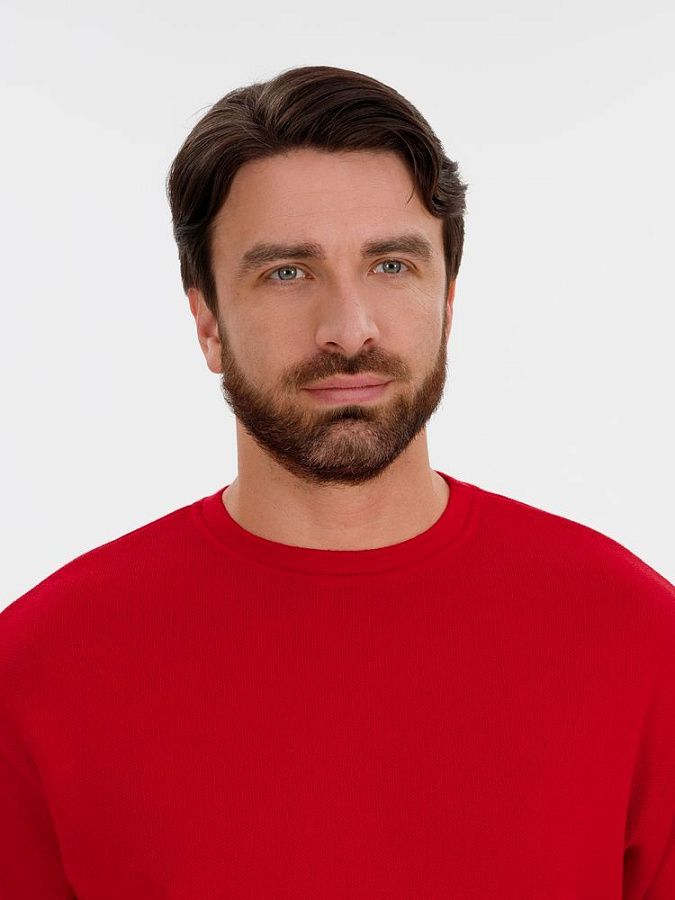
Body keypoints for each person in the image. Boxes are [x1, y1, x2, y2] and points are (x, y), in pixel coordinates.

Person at [1, 65, 673, 899]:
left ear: (447, 302)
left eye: (391, 265)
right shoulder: (38, 674)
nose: (349, 330)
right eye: (287, 272)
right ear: (207, 322)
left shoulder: (638, 643)